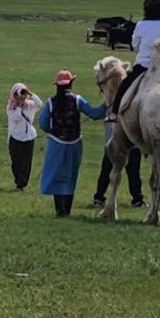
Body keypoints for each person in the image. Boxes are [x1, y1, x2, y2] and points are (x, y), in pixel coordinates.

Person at [38, 69, 107, 216]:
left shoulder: (51, 102)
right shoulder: (78, 100)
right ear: (71, 83)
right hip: (75, 143)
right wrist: (107, 103)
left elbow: (43, 123)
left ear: (57, 85)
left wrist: (52, 131)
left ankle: (59, 210)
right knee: (70, 176)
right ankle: (67, 210)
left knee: (56, 175)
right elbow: (95, 114)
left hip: (56, 144)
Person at [106, 0, 160, 121]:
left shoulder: (141, 25)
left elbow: (135, 45)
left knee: (125, 85)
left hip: (145, 65)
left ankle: (114, 113)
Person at [6, 82, 41, 191]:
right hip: (15, 138)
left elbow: (39, 103)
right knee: (16, 162)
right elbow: (16, 117)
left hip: (29, 137)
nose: (22, 96)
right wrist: (19, 106)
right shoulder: (10, 108)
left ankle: (21, 184)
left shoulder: (30, 105)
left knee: (26, 162)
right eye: (19, 94)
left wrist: (30, 93)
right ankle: (18, 179)